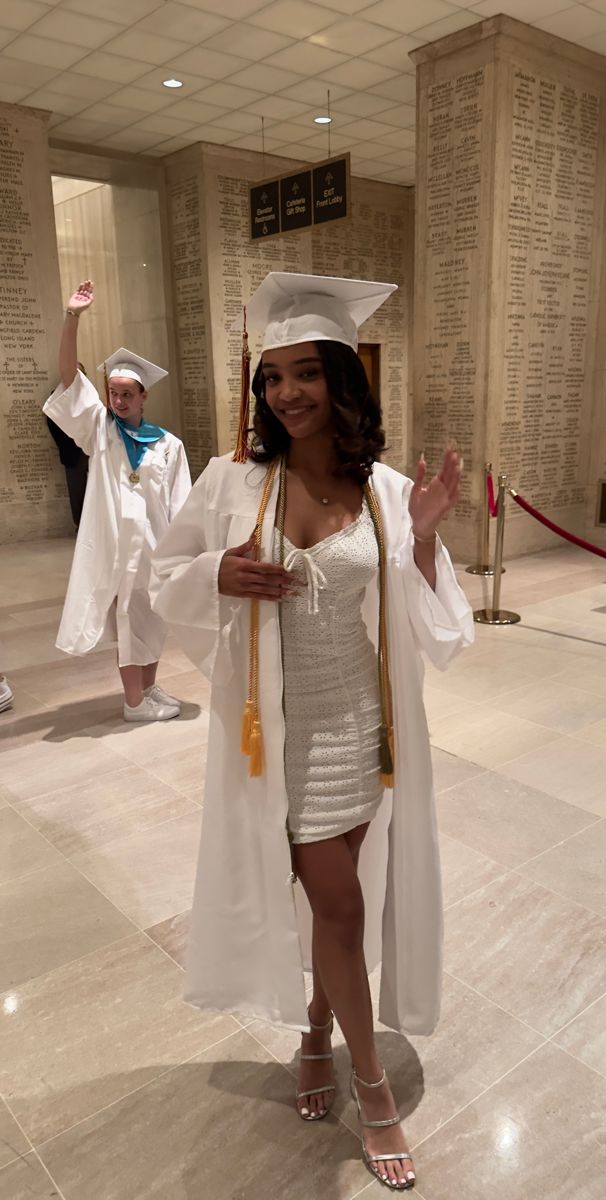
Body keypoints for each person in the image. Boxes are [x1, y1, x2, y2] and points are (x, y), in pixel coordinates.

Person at [150, 272, 474, 1190]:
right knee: (339, 906)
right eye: (271, 377)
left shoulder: (383, 486)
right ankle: (371, 1093)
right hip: (277, 743)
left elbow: (431, 621)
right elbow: (161, 575)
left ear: (342, 379)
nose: (286, 393)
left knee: (343, 898)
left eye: (304, 374)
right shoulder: (233, 481)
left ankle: (316, 1034)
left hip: (366, 733)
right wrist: (216, 570)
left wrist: (418, 539)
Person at [44, 280, 192, 722]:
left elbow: (180, 505)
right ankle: (133, 704)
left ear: (145, 396)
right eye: (114, 392)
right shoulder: (101, 430)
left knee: (154, 619)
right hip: (115, 544)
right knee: (128, 618)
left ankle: (148, 687)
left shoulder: (168, 445)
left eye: (129, 393)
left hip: (155, 546)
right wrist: (73, 317)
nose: (120, 399)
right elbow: (70, 378)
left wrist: (182, 554)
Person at [46, 360, 89, 528]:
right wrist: (66, 443)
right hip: (72, 452)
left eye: (80, 375)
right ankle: (80, 525)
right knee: (77, 490)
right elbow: (52, 425)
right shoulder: (55, 398)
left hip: (91, 448)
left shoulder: (89, 396)